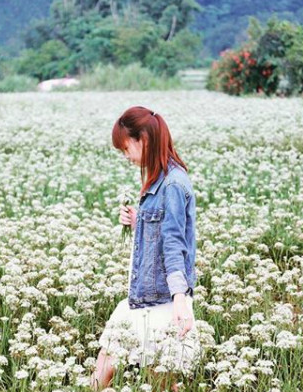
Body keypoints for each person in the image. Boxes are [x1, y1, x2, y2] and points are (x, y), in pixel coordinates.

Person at [90, 106, 200, 391]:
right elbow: (161, 232)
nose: (125, 155)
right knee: (115, 369)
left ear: (144, 140)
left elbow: (175, 243)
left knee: (160, 380)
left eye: (125, 147)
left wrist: (179, 298)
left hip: (162, 302)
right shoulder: (160, 179)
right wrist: (138, 221)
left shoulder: (173, 184)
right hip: (142, 297)